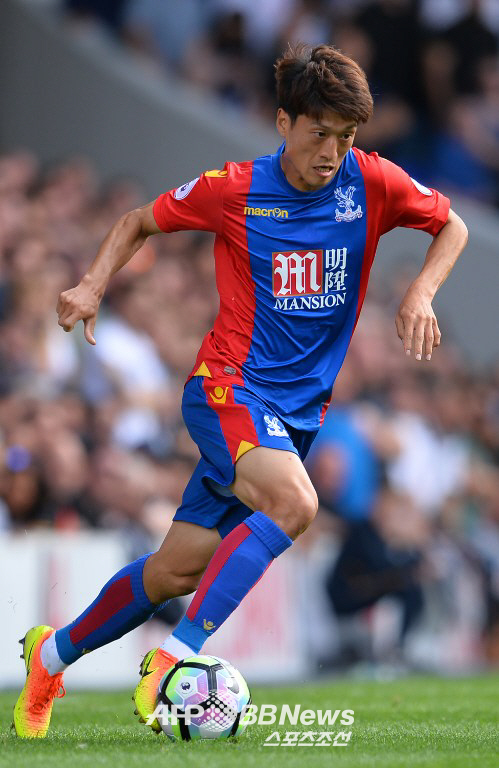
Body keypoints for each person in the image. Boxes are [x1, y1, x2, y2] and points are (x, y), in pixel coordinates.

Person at [13, 42, 468, 738]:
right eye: (319, 133)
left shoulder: (371, 182)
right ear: (284, 122)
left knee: (173, 574)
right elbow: (138, 220)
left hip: (294, 417)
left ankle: (50, 655)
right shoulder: (235, 188)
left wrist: (421, 292)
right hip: (227, 389)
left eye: (346, 136)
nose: (332, 152)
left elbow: (451, 225)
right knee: (296, 503)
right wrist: (91, 284)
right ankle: (174, 658)